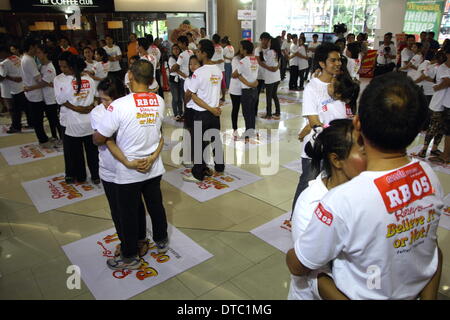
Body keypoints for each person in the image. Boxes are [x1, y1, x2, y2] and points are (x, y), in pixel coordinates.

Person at [287, 72, 444, 300]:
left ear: (357, 123)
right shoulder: (430, 176)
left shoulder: (343, 200)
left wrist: (310, 270)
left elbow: (299, 265)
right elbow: (431, 253)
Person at [93, 59, 169, 270]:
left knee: (127, 213)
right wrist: (152, 158)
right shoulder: (159, 101)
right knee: (155, 205)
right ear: (152, 80)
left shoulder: (118, 105)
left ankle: (130, 256)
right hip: (153, 166)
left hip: (129, 170)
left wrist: (106, 140)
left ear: (130, 77)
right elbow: (159, 134)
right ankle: (161, 241)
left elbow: (99, 138)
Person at [289, 119, 366, 300]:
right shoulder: (312, 204)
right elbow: (309, 270)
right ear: (336, 160)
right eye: (364, 152)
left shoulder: (366, 192)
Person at [292, 43, 343, 212]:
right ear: (322, 63)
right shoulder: (312, 87)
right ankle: (296, 216)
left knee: (331, 187)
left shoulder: (342, 85)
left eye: (339, 60)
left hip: (338, 147)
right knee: (307, 183)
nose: (338, 63)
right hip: (317, 147)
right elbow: (314, 121)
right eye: (333, 60)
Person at [183, 39, 224, 182]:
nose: (197, 53)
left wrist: (187, 100)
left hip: (202, 113)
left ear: (204, 54)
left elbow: (192, 95)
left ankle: (198, 173)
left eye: (199, 50)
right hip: (215, 113)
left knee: (198, 144)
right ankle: (220, 167)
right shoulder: (218, 70)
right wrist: (215, 108)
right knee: (215, 140)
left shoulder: (199, 72)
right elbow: (218, 92)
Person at [56, 54, 99, 184]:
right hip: (88, 121)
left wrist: (78, 108)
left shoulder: (67, 82)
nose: (62, 69)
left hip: (73, 123)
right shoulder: (89, 79)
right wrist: (89, 107)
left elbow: (61, 100)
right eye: (61, 66)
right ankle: (95, 175)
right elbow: (96, 96)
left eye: (65, 67)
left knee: (76, 152)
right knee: (92, 151)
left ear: (72, 67)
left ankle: (80, 176)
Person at [414, 51, 447, 159]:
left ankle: (434, 148)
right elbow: (425, 76)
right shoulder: (438, 67)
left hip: (446, 103)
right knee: (433, 126)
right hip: (436, 101)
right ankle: (424, 149)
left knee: (442, 128)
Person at [27, 45, 62, 143]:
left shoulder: (50, 67)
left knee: (54, 119)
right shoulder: (41, 66)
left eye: (39, 52)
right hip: (44, 97)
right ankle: (55, 136)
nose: (37, 55)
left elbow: (44, 83)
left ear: (45, 54)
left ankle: (62, 137)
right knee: (50, 119)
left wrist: (30, 88)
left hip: (51, 98)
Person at [21, 37, 51, 148]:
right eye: (35, 48)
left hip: (32, 91)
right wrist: (48, 80)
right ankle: (42, 139)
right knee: (38, 118)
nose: (36, 51)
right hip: (35, 93)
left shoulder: (25, 58)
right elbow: (39, 79)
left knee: (37, 117)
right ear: (31, 47)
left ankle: (42, 137)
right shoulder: (29, 59)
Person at [0, 45, 31, 133]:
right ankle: (30, 123)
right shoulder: (16, 57)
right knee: (24, 107)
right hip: (21, 87)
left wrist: (9, 77)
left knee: (13, 109)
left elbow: (2, 77)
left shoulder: (4, 63)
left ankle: (16, 126)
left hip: (10, 89)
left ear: (3, 52)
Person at [428, 47, 450, 166]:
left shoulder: (443, 68)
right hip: (444, 103)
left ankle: (446, 156)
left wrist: (437, 87)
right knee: (442, 128)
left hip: (446, 103)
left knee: (447, 131)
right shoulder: (442, 67)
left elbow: (447, 82)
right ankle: (443, 153)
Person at [233, 40, 259, 141]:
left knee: (246, 113)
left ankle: (248, 133)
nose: (240, 49)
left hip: (246, 91)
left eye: (241, 48)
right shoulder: (255, 59)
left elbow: (234, 74)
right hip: (254, 90)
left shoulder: (243, 61)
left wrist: (241, 77)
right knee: (252, 112)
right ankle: (251, 130)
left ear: (244, 49)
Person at [171, 36, 194, 118]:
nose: (178, 45)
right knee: (191, 97)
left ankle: (186, 114)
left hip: (184, 79)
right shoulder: (191, 52)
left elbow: (175, 67)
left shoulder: (182, 54)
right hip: (191, 77)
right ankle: (189, 113)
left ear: (184, 44)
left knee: (185, 98)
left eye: (180, 43)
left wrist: (173, 68)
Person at [261, 36, 281, 120]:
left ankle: (268, 114)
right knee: (274, 95)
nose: (268, 43)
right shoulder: (278, 52)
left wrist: (263, 62)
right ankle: (277, 112)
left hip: (270, 77)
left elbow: (265, 62)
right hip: (277, 77)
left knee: (268, 96)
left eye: (269, 41)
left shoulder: (270, 52)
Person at [255, 32, 271, 112]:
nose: (265, 41)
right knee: (256, 94)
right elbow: (260, 61)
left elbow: (270, 61)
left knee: (269, 95)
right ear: (260, 40)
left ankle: (269, 112)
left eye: (266, 40)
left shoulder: (270, 50)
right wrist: (269, 67)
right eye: (263, 40)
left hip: (269, 75)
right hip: (259, 75)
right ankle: (255, 111)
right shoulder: (257, 50)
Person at [168, 45, 183, 120]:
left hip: (180, 79)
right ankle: (176, 114)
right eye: (174, 49)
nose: (176, 50)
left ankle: (181, 112)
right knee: (175, 98)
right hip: (173, 79)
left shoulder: (181, 57)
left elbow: (178, 67)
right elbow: (174, 69)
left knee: (180, 98)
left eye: (177, 48)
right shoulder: (171, 58)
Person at [211, 34, 226, 103]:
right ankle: (223, 97)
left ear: (213, 40)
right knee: (222, 83)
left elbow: (210, 60)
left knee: (214, 83)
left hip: (214, 69)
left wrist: (216, 61)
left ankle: (215, 97)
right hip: (221, 68)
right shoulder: (221, 48)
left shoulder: (212, 48)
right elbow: (222, 59)